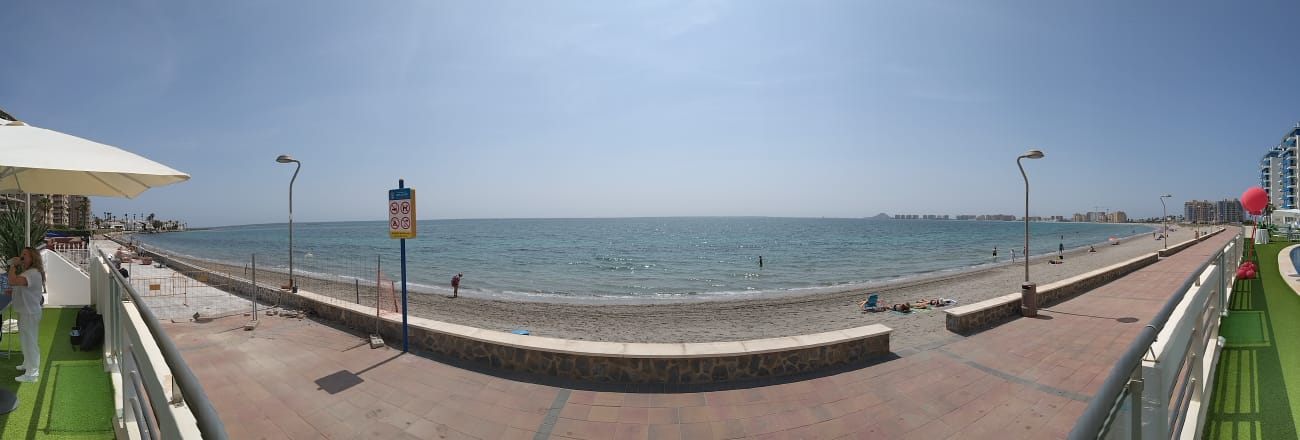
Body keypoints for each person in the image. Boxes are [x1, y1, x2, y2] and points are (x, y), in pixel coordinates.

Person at [7, 247, 45, 383]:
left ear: (32, 258)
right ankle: (27, 363)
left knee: (30, 342)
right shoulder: (28, 272)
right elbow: (21, 286)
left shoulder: (33, 273)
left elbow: (13, 281)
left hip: (29, 313)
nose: (22, 257)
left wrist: (13, 265)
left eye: (25, 255)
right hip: (24, 311)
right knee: (25, 340)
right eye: (22, 254)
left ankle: (32, 374)